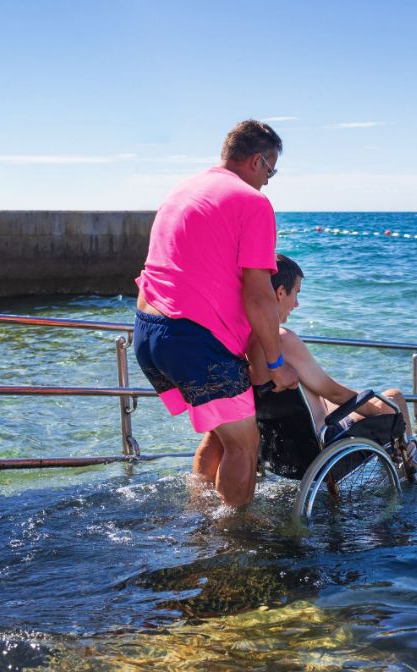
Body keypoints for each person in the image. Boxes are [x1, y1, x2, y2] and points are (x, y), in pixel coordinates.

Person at [133, 119, 299, 509]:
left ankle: (200, 513)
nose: (269, 181)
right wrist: (276, 363)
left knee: (220, 432)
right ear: (258, 161)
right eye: (271, 170)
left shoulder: (182, 190)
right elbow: (259, 295)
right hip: (193, 340)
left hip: (148, 332)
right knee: (244, 444)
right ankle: (231, 542)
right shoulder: (252, 201)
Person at [249, 254, 415, 437]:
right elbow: (334, 393)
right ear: (280, 293)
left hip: (286, 443)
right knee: (394, 398)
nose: (296, 304)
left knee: (362, 397)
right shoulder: (283, 340)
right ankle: (411, 463)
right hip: (326, 439)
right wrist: (382, 414)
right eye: (296, 293)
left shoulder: (247, 344)